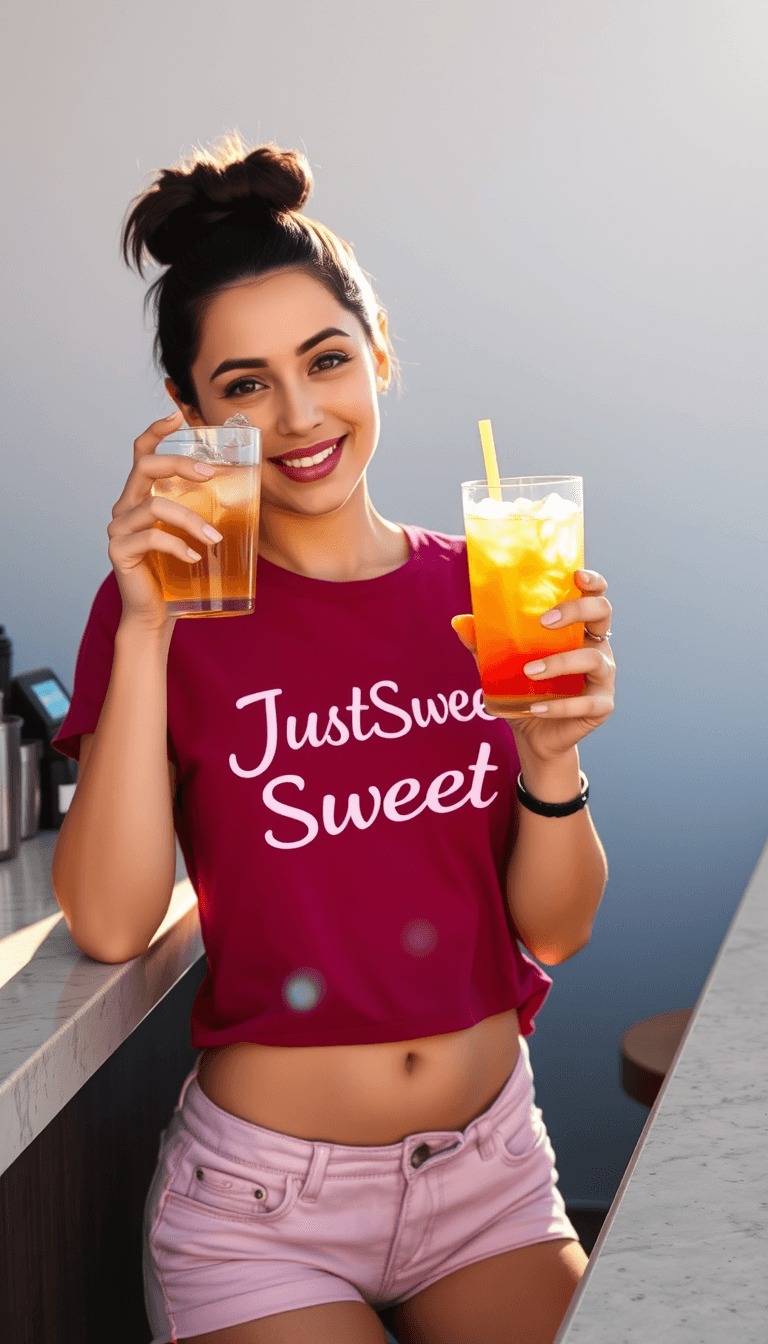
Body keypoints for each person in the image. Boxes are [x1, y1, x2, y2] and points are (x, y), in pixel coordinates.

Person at [51, 135, 615, 1344]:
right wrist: (145, 624)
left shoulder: (486, 587)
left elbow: (554, 929)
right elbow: (107, 920)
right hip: (264, 1212)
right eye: (245, 384)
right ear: (189, 414)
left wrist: (554, 760)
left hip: (493, 1182)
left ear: (378, 359)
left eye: (327, 360)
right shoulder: (169, 609)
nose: (301, 415)